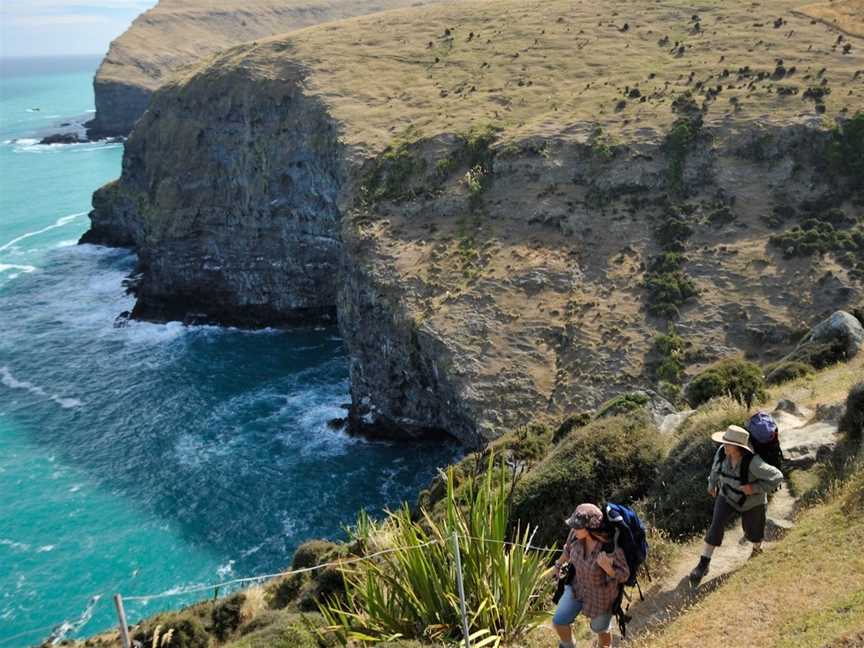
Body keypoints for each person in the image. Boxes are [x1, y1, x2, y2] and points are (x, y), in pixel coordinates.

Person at [689, 425, 784, 585]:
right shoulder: (722, 453)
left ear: (739, 447)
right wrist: (712, 484)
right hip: (726, 496)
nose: (724, 445)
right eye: (724, 442)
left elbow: (777, 476)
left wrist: (754, 488)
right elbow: (715, 469)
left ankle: (756, 551)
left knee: (754, 532)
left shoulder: (754, 463)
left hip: (752, 502)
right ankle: (703, 564)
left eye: (728, 443)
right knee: (716, 525)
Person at [552, 503, 630, 648]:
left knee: (600, 628)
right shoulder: (575, 536)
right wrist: (557, 565)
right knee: (559, 621)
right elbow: (567, 550)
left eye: (577, 526)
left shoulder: (610, 546)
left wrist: (609, 569)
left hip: (601, 598)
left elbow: (624, 575)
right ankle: (568, 645)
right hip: (577, 589)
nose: (573, 529)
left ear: (590, 528)